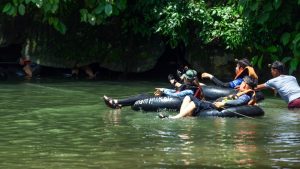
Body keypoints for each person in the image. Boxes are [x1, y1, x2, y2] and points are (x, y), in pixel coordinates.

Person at [160, 76, 258, 119]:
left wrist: (224, 103)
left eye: (243, 83)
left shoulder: (245, 96)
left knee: (195, 102)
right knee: (188, 97)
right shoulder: (240, 92)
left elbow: (238, 103)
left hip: (218, 106)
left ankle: (175, 118)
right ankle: (182, 116)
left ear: (246, 86)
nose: (241, 84)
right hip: (215, 103)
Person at [103, 69, 203, 109]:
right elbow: (175, 91)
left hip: (176, 103)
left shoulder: (190, 90)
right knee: (143, 95)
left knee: (142, 96)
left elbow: (177, 95)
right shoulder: (189, 86)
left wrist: (163, 92)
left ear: (186, 78)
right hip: (173, 100)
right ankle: (119, 104)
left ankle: (116, 101)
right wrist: (163, 89)